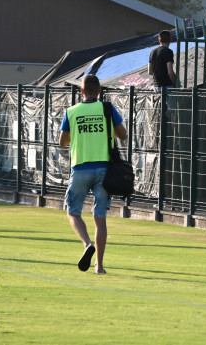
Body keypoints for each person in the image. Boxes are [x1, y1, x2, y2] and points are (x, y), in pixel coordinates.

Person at [59, 74, 128, 274]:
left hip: (80, 167)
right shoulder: (107, 109)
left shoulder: (71, 112)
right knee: (100, 218)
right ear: (99, 91)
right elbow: (123, 134)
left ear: (81, 91)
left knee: (73, 212)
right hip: (104, 169)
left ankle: (87, 243)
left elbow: (62, 142)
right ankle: (99, 266)